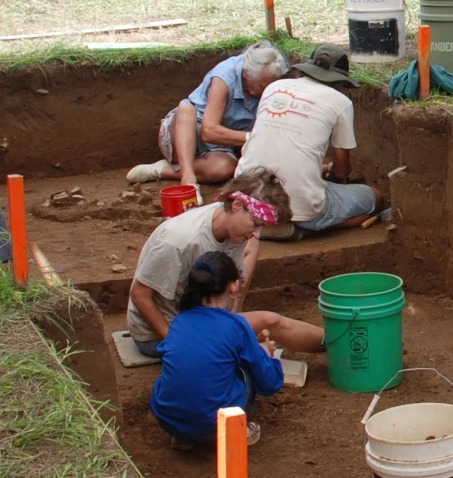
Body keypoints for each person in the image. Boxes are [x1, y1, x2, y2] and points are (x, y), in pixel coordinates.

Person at [147, 251, 324, 444]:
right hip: (214, 425)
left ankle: (184, 437)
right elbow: (269, 383)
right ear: (233, 286)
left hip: (169, 421)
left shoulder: (180, 321)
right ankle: (239, 429)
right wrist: (266, 353)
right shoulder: (235, 325)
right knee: (245, 368)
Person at [234, 43, 383, 236]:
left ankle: (264, 221)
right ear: (339, 81)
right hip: (301, 208)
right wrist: (333, 177)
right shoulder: (341, 102)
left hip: (246, 193)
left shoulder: (274, 87)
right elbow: (342, 170)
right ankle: (303, 229)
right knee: (375, 199)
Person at [125, 178, 289, 345]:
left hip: (199, 318)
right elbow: (140, 295)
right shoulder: (178, 241)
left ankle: (318, 345)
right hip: (159, 333)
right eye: (255, 224)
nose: (256, 234)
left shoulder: (234, 229)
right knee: (248, 347)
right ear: (237, 205)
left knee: (271, 322)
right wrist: (175, 345)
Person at [130, 40, 290, 186]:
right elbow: (209, 132)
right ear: (247, 74)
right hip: (182, 134)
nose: (267, 91)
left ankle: (162, 170)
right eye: (263, 86)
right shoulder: (224, 77)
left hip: (220, 147)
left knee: (223, 169)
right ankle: (188, 178)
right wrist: (252, 138)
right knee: (186, 109)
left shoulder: (270, 83)